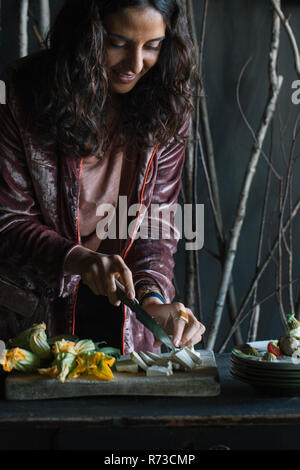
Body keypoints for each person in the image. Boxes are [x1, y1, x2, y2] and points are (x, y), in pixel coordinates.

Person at [0, 0, 205, 354]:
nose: (136, 64)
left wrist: (153, 299)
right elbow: (9, 219)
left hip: (124, 324)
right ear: (87, 35)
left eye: (152, 46)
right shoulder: (19, 94)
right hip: (32, 324)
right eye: (118, 43)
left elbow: (157, 223)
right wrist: (80, 259)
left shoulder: (169, 101)